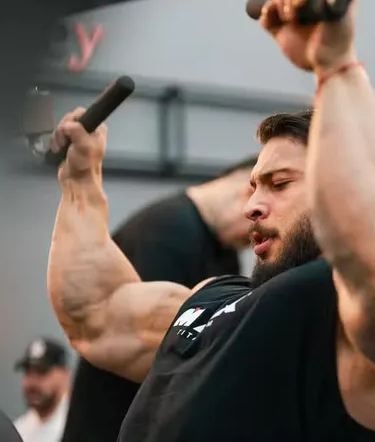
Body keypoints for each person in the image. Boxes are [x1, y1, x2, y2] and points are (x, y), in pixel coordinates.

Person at [45, 0, 375, 440]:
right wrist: (80, 178)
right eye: (254, 187)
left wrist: (336, 67)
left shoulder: (353, 325)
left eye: (280, 184)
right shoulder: (216, 297)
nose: (253, 207)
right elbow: (94, 312)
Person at [61, 158, 256, 442]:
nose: (254, 239)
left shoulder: (223, 253)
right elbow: (150, 347)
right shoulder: (163, 234)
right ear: (249, 194)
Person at [13, 337, 71, 442]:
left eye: (41, 372)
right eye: (28, 372)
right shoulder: (20, 430)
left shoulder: (81, 426)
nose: (32, 382)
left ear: (64, 375)